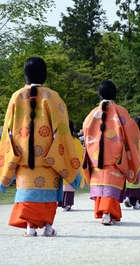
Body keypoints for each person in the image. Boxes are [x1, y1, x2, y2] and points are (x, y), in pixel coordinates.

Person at [0, 57, 81, 236]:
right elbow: (62, 132)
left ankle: (30, 227)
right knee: (46, 198)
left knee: (27, 196)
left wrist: (11, 157)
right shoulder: (54, 98)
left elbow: (8, 131)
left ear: (25, 74)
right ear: (44, 74)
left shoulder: (16, 97)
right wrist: (60, 156)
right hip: (49, 160)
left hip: (23, 160)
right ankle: (47, 227)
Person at [82, 80, 140, 225]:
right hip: (116, 160)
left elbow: (86, 132)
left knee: (102, 188)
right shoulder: (121, 112)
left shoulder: (91, 114)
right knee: (110, 188)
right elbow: (132, 133)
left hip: (96, 161)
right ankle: (107, 213)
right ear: (114, 94)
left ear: (99, 94)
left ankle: (105, 213)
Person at [59, 121, 85, 211]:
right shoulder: (76, 141)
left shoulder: (62, 140)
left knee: (64, 184)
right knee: (70, 185)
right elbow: (80, 154)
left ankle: (63, 203)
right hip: (74, 165)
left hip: (63, 165)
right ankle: (67, 203)